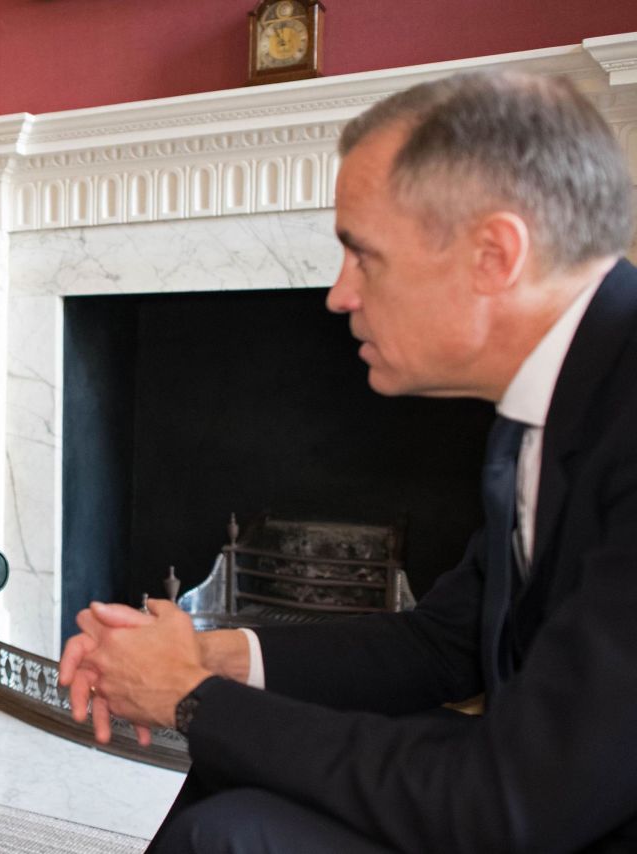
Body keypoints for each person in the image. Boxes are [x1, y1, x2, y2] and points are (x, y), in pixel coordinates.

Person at [60, 70, 637, 852]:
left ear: (493, 254)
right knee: (237, 769)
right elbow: (442, 644)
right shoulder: (544, 401)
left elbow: (516, 802)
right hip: (536, 790)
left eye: (363, 257)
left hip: (553, 813)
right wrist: (210, 656)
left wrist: (189, 697)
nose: (338, 295)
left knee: (231, 836)